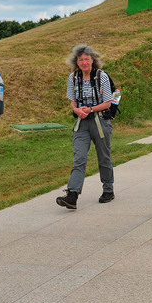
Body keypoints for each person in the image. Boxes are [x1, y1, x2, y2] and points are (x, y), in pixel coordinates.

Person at [56, 44, 115, 209]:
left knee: (103, 156)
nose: (84, 62)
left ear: (92, 60)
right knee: (79, 158)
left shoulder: (102, 76)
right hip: (82, 123)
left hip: (100, 121)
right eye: (80, 60)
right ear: (76, 62)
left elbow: (107, 103)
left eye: (87, 59)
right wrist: (76, 110)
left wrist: (89, 109)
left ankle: (108, 189)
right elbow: (72, 101)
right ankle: (72, 195)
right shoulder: (73, 78)